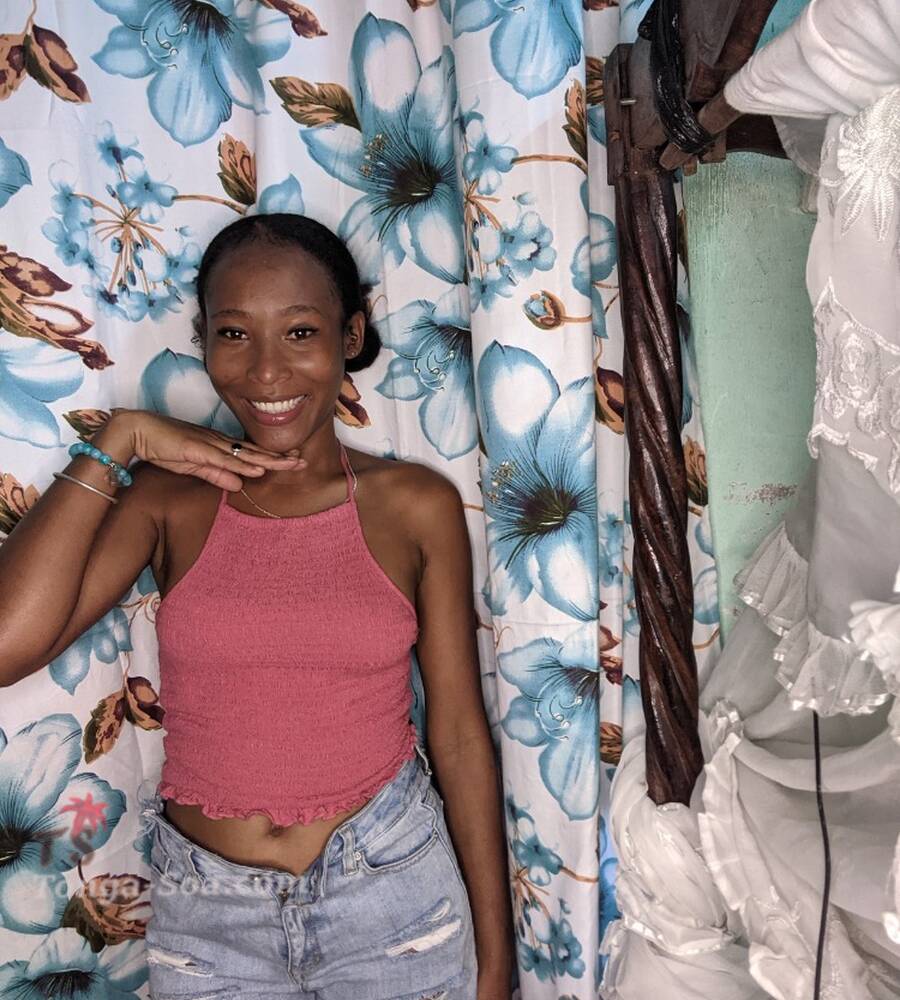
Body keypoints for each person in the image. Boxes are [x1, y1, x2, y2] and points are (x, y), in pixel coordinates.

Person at [0, 214, 512, 999]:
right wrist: (119, 441)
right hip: (209, 916)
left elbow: (460, 734)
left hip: (393, 894)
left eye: (300, 332)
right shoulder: (167, 502)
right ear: (204, 341)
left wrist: (495, 960)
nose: (267, 371)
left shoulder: (414, 505)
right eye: (234, 334)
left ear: (349, 335)